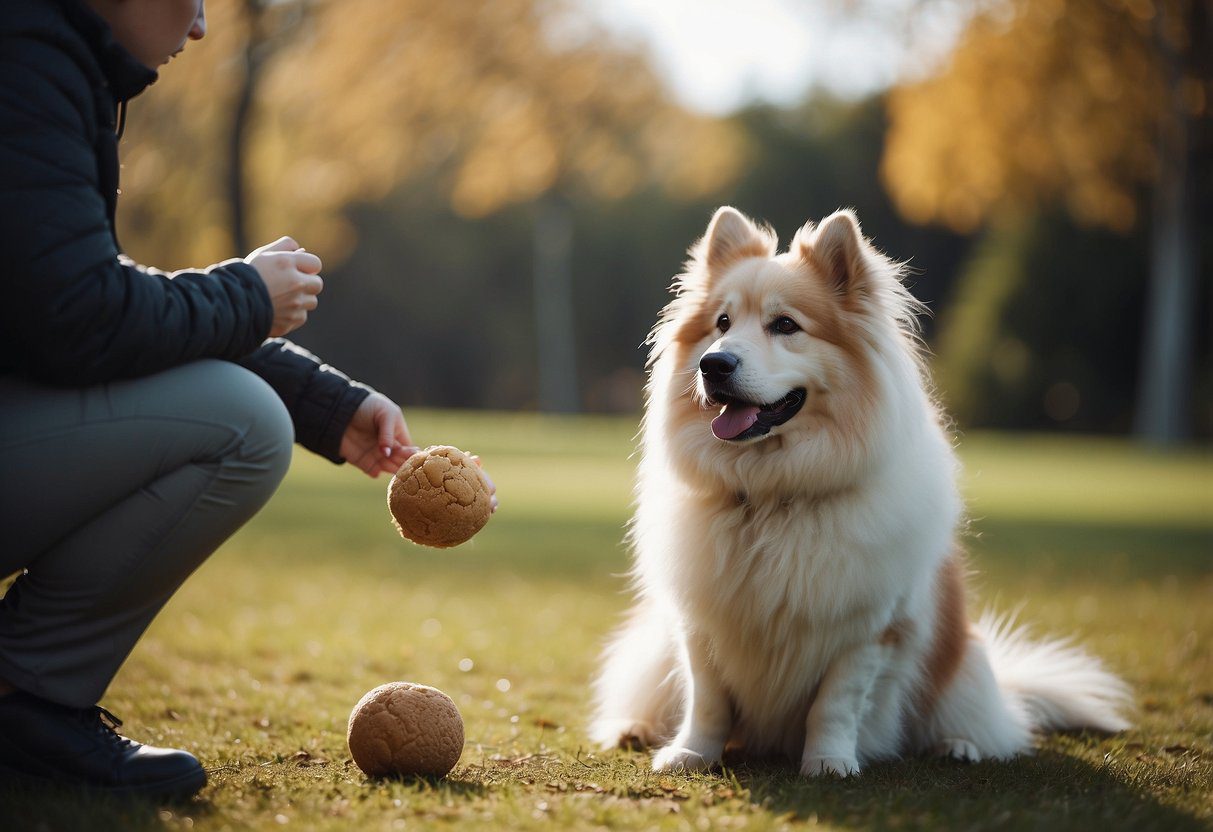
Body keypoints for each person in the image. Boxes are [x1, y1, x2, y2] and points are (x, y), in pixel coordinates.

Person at [0, 0, 478, 798]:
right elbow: (76, 318)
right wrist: (247, 295)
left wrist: (327, 404)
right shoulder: (24, 57)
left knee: (258, 407)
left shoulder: (49, 58)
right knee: (242, 421)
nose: (199, 28)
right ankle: (24, 694)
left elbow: (64, 302)